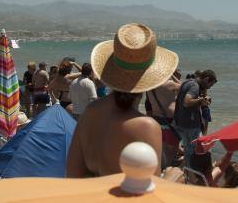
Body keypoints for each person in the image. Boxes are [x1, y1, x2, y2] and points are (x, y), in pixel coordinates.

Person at [67, 23, 177, 178]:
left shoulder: (91, 112)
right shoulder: (146, 127)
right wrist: (172, 178)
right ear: (150, 75)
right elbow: (151, 193)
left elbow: (72, 175)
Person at [173, 69, 216, 169]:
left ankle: (188, 172)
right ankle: (200, 172)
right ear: (206, 79)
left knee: (188, 151)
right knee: (203, 149)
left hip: (182, 122)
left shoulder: (187, 82)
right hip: (190, 124)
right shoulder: (195, 86)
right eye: (210, 84)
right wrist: (201, 100)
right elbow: (187, 102)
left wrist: (201, 99)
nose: (209, 87)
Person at [145, 70, 181, 167]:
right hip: (169, 120)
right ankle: (166, 174)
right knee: (172, 150)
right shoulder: (169, 84)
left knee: (163, 148)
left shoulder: (149, 87)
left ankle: (161, 169)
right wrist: (172, 75)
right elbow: (183, 87)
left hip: (157, 119)